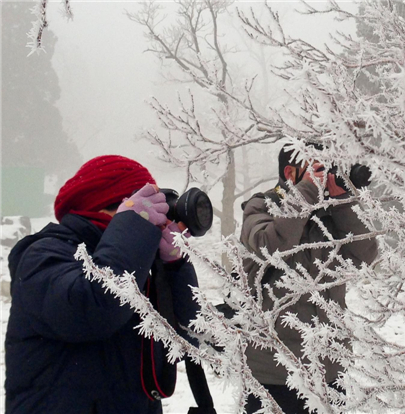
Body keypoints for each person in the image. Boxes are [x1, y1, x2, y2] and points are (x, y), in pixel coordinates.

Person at [5, 155, 215, 414]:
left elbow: (187, 337)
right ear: (104, 204)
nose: (157, 218)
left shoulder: (128, 261)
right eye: (145, 205)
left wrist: (173, 267)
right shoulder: (43, 254)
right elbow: (94, 308)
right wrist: (134, 230)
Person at [240, 146, 378, 413]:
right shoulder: (260, 207)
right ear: (290, 173)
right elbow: (270, 246)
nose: (324, 177)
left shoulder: (331, 214)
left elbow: (366, 255)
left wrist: (343, 201)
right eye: (317, 169)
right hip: (272, 372)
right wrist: (305, 192)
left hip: (328, 371)